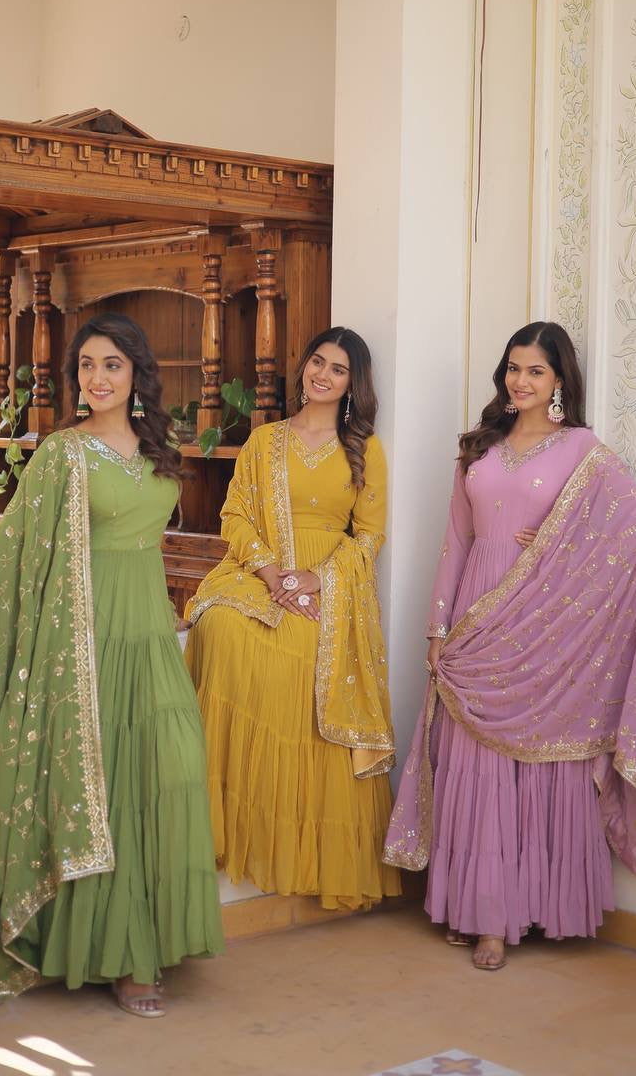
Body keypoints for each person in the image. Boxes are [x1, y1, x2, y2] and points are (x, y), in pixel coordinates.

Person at [0, 313, 223, 1014]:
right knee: (102, 789)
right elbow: (10, 553)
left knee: (166, 771)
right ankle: (123, 960)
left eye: (111, 364)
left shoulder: (160, 449)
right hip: (84, 640)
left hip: (148, 634)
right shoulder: (62, 453)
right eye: (86, 366)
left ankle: (150, 939)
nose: (97, 378)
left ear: (136, 374)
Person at [384, 321, 636, 970]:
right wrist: (437, 629)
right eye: (513, 368)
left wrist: (561, 548)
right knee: (478, 762)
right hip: (477, 617)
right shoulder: (479, 448)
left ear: (559, 380)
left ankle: (528, 912)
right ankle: (481, 912)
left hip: (543, 624)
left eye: (535, 371)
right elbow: (456, 541)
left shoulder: (581, 450)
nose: (520, 381)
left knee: (537, 759)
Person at [184, 327, 401, 911]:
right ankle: (228, 822)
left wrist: (316, 579)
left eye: (338, 369)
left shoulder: (364, 449)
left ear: (353, 384)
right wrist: (271, 570)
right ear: (304, 367)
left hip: (328, 583)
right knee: (221, 627)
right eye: (317, 362)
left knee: (308, 657)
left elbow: (369, 535)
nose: (322, 375)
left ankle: (292, 837)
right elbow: (235, 513)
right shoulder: (265, 441)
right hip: (263, 571)